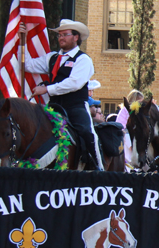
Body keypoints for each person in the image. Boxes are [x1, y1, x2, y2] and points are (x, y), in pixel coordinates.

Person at [25, 19, 103, 170]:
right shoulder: (52, 58)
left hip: (75, 107)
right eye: (59, 35)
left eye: (65, 34)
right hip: (54, 107)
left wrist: (47, 89)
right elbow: (28, 65)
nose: (61, 38)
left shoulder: (83, 59)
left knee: (88, 133)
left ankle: (96, 169)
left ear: (76, 37)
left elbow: (74, 83)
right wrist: (23, 39)